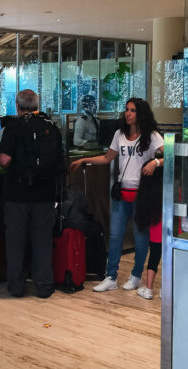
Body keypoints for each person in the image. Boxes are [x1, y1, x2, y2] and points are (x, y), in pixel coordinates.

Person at [69, 97, 163, 292]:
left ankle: (136, 275)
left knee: (140, 237)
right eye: (126, 110)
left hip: (142, 194)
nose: (128, 113)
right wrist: (84, 159)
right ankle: (111, 276)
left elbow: (167, 153)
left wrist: (155, 163)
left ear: (141, 113)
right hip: (122, 192)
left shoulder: (151, 136)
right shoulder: (119, 134)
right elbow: (106, 157)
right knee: (115, 236)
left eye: (132, 110)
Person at [0, 89, 64, 298]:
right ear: (36, 106)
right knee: (42, 240)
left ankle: (16, 286)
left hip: (17, 194)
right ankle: (44, 286)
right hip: (45, 193)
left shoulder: (13, 127)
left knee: (16, 242)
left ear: (17, 107)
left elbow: (5, 160)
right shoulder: (51, 127)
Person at [134, 164, 163, 299]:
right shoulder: (172, 189)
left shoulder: (148, 194)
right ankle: (166, 289)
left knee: (154, 257)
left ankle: (149, 289)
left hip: (156, 229)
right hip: (173, 229)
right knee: (170, 260)